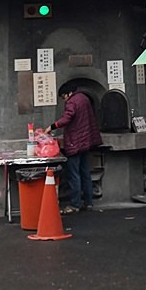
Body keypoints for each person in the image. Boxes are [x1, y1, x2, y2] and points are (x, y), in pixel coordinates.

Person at [45, 82, 102, 214]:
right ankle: (88, 203)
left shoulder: (72, 102)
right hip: (86, 142)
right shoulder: (84, 98)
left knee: (74, 174)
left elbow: (67, 118)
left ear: (68, 94)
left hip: (75, 143)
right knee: (85, 173)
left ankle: (75, 204)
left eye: (63, 97)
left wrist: (52, 126)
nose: (64, 99)